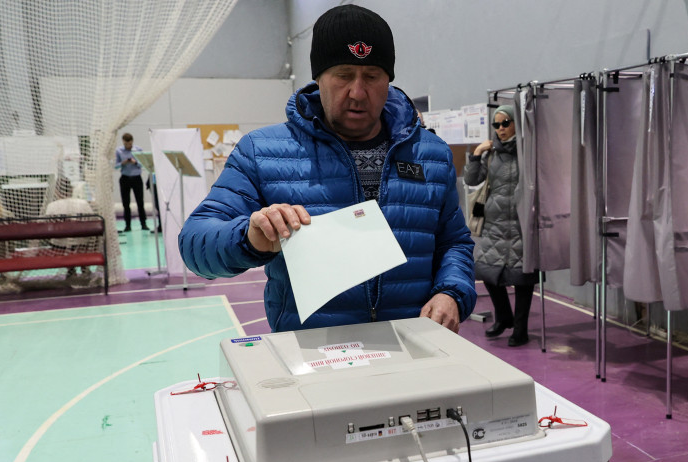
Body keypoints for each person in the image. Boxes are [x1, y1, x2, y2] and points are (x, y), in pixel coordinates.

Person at [178, 4, 475, 333]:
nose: (358, 92)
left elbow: (455, 242)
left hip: (414, 344)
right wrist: (249, 238)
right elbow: (195, 243)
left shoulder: (431, 154)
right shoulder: (261, 152)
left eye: (372, 77)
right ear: (318, 78)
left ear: (388, 80)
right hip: (314, 354)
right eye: (344, 76)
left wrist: (452, 292)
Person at [464, 105, 537, 346]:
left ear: (517, 123)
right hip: (494, 223)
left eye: (506, 123)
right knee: (487, 271)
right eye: (497, 125)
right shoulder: (491, 153)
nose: (501, 129)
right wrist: (476, 154)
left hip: (521, 223)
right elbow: (472, 180)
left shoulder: (529, 151)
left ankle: (520, 328)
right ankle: (503, 316)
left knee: (523, 278)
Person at [114, 132, 148, 232]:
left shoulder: (138, 150)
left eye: (129, 144)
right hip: (125, 178)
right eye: (126, 144)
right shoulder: (119, 151)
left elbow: (144, 164)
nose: (128, 146)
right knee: (126, 203)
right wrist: (122, 163)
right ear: (123, 142)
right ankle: (127, 225)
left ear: (132, 141)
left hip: (136, 178)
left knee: (140, 202)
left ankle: (143, 224)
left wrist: (135, 162)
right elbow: (115, 166)